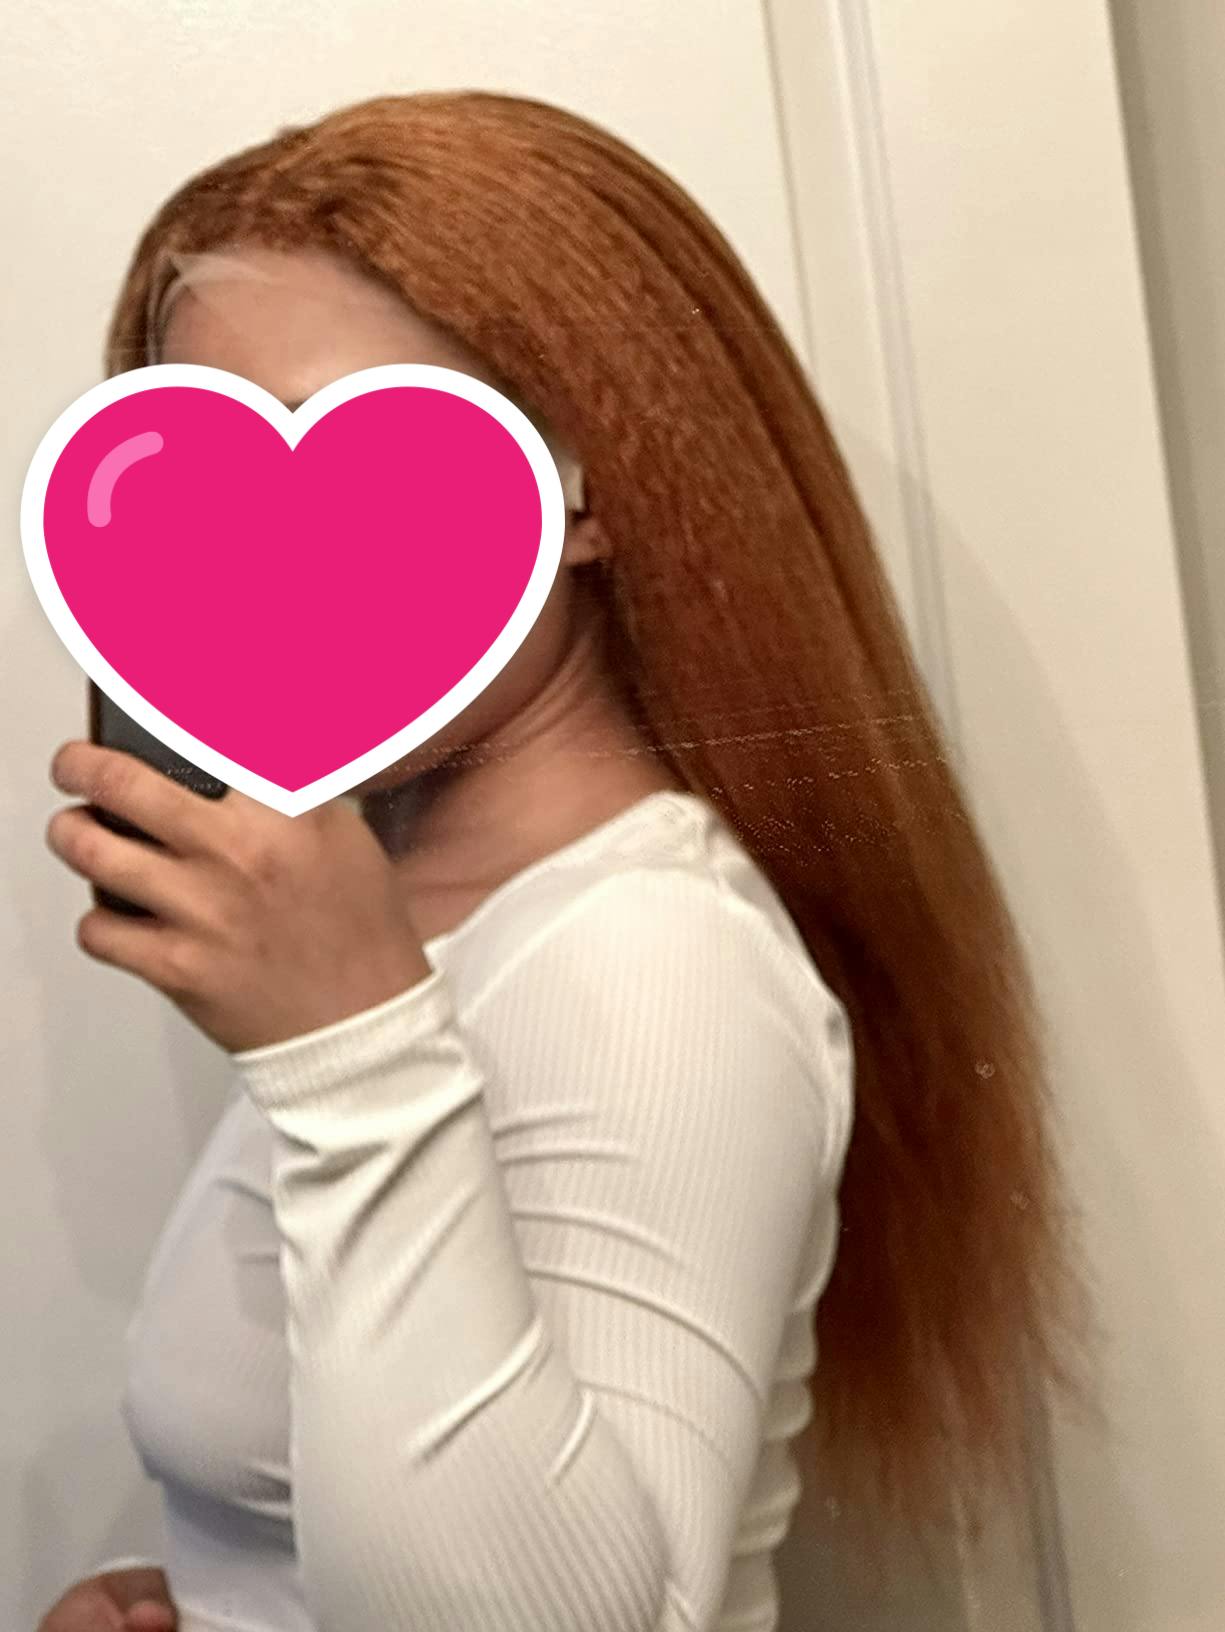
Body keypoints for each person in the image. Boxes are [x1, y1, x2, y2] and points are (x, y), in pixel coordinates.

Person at [38, 91, 1090, 1632]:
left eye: (366, 459)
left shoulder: (651, 960)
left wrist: (351, 1055)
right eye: (221, 488)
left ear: (585, 485)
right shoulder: (399, 925)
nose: (267, 568)